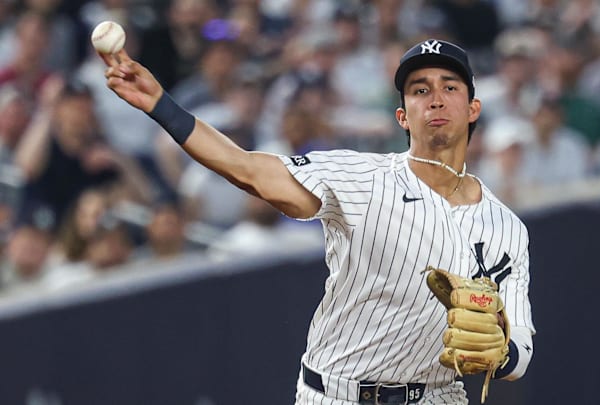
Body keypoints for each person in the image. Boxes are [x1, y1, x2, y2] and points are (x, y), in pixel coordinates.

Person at [100, 38, 535, 404]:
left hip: (439, 395)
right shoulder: (360, 178)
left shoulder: (506, 228)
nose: (435, 97)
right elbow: (248, 170)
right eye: (419, 90)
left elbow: (521, 350)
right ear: (402, 116)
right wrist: (162, 106)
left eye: (450, 86)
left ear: (474, 108)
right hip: (338, 394)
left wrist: (500, 347)